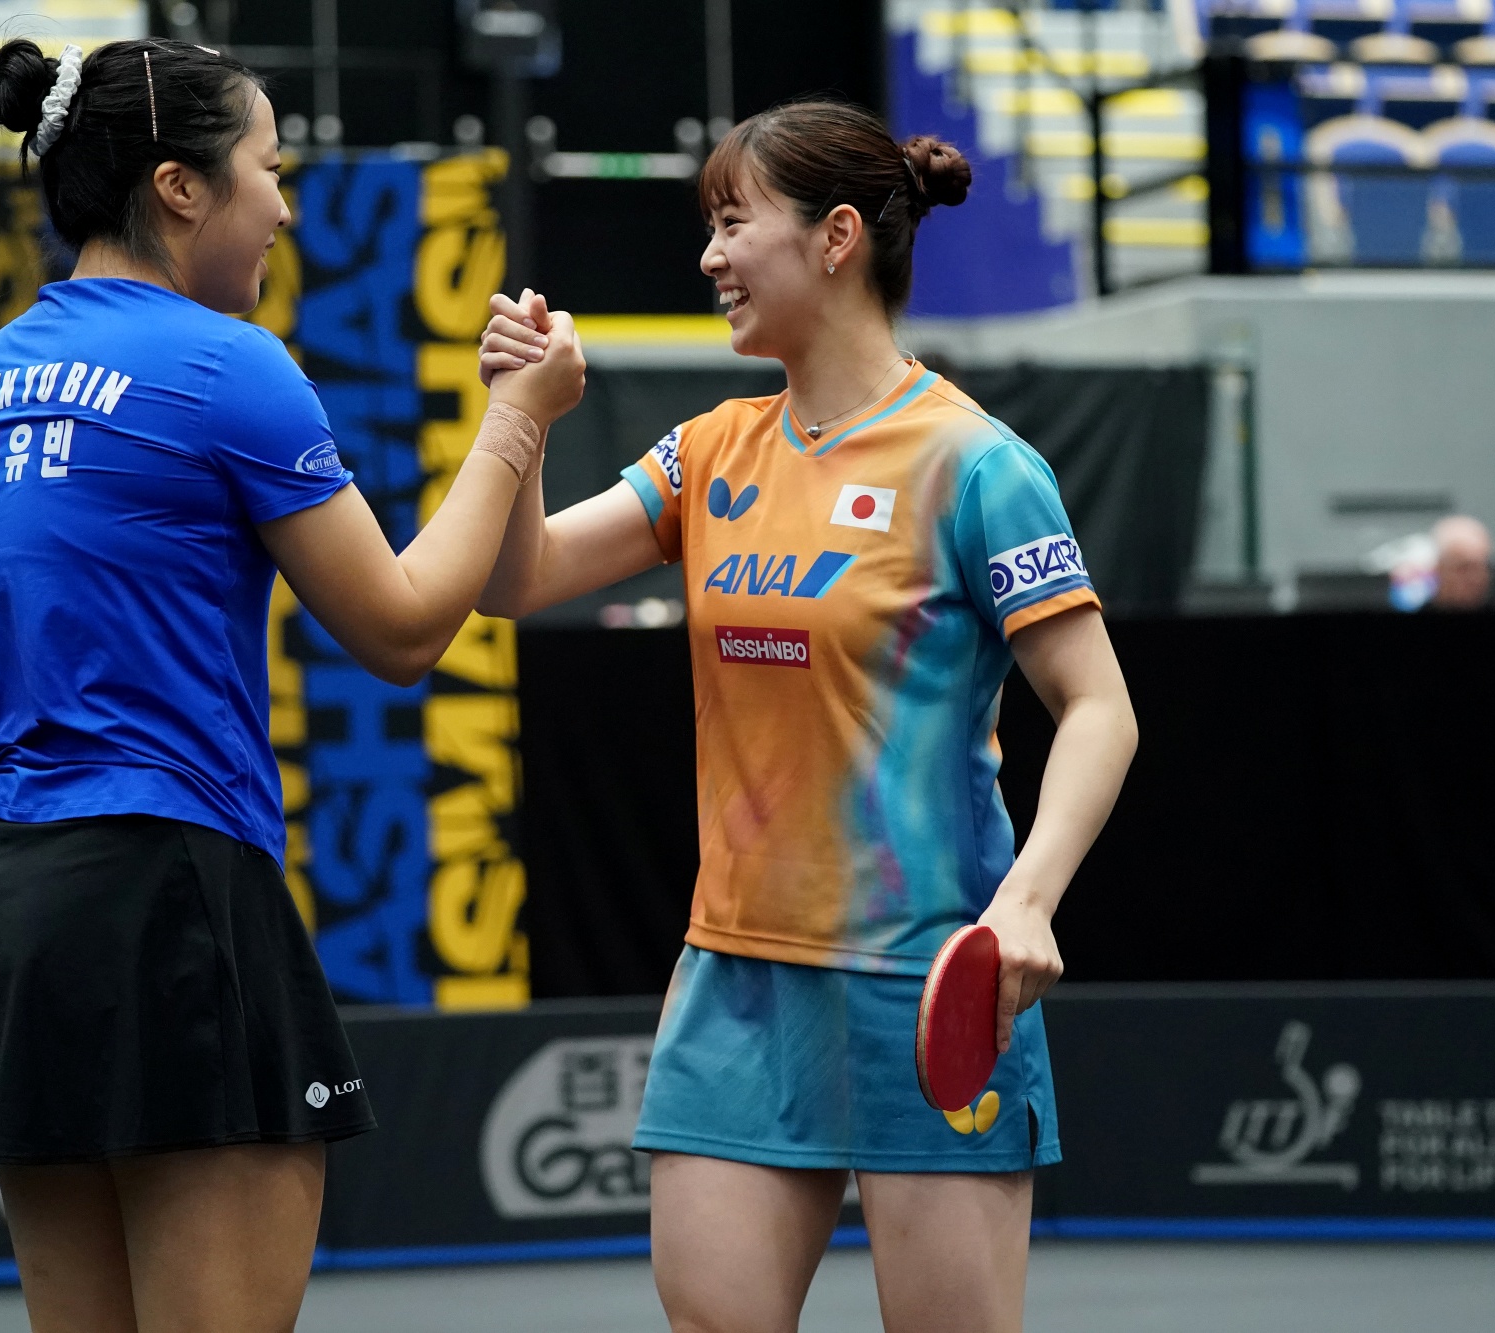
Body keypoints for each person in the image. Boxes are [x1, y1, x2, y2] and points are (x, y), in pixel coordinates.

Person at [0, 38, 584, 1333]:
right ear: (180, 186)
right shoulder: (231, 366)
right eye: (268, 169)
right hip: (169, 902)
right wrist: (516, 422)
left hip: (3, 918)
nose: (283, 205)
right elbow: (403, 631)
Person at [476, 101, 1137, 1333]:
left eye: (733, 222)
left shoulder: (974, 466)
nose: (708, 256)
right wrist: (522, 417)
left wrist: (1026, 902)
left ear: (835, 237)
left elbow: (1097, 706)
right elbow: (515, 580)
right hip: (737, 981)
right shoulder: (708, 453)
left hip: (925, 977)